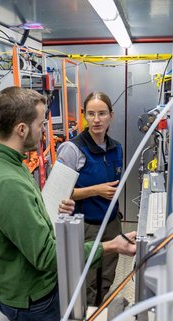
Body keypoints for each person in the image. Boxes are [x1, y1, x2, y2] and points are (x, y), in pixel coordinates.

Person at [0, 86, 136, 321]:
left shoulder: (11, 167)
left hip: (35, 291)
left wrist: (50, 212)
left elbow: (28, 221)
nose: (43, 131)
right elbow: (48, 257)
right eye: (40, 124)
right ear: (22, 129)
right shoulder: (8, 182)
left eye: (102, 114)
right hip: (32, 300)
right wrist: (112, 245)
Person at [56, 91, 124, 306]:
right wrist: (95, 190)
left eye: (102, 113)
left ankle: (99, 314)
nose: (97, 120)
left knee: (107, 276)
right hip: (86, 227)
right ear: (84, 115)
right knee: (87, 280)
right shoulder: (72, 149)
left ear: (111, 115)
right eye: (91, 114)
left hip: (111, 223)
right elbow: (58, 193)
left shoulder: (116, 148)